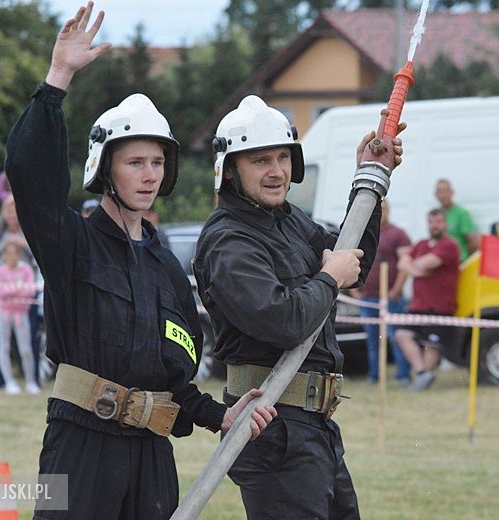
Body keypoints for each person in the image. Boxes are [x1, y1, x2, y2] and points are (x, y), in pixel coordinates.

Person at [4, 3, 275, 518]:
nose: (149, 175)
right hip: (76, 447)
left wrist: (220, 415)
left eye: (156, 162)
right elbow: (29, 174)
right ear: (105, 169)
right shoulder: (71, 243)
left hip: (153, 456)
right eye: (134, 162)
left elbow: (176, 380)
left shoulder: (167, 268)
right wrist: (57, 79)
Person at [193, 95, 405, 519]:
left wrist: (371, 174)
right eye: (260, 161)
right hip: (272, 431)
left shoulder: (288, 220)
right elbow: (284, 320)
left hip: (314, 425)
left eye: (282, 158)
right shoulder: (229, 240)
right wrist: (329, 277)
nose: (276, 171)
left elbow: (352, 265)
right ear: (230, 170)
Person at [0, 193, 41, 390]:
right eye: (9, 209)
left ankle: (32, 379)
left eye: (15, 209)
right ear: (3, 212)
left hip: (26, 295)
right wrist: (2, 247)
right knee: (2, 342)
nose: (12, 214)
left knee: (30, 339)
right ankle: (2, 379)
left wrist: (23, 245)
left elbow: (43, 254)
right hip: (3, 297)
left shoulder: (31, 230)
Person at [393, 208, 460, 392]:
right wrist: (418, 271)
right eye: (431, 222)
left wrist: (413, 267)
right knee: (401, 334)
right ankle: (422, 373)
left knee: (432, 346)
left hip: (440, 306)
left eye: (438, 222)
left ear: (445, 224)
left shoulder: (449, 245)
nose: (434, 225)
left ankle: (422, 381)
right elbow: (402, 263)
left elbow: (427, 263)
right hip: (418, 304)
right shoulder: (421, 243)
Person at [350, 199, 412, 384]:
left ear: (389, 210)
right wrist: (355, 293)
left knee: (396, 337)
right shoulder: (366, 235)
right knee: (372, 339)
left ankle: (402, 375)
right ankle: (374, 376)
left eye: (384, 209)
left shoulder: (398, 234)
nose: (381, 212)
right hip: (367, 298)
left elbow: (405, 266)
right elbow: (352, 262)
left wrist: (396, 290)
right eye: (378, 209)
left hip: (391, 298)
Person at [0, 242, 39, 395]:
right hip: (4, 314)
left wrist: (11, 291)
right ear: (4, 255)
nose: (12, 257)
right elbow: (0, 292)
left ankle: (30, 381)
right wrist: (18, 289)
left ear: (18, 255)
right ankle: (9, 382)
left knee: (25, 348)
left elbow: (30, 291)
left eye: (15, 253)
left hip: (21, 313)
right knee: (4, 347)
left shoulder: (25, 269)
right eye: (9, 253)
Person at [435, 178, 478, 261]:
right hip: (441, 262)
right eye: (440, 192)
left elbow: (473, 242)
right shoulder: (436, 215)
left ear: (452, 192)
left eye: (445, 191)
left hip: (459, 262)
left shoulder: (461, 213)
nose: (443, 195)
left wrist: (466, 263)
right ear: (436, 194)